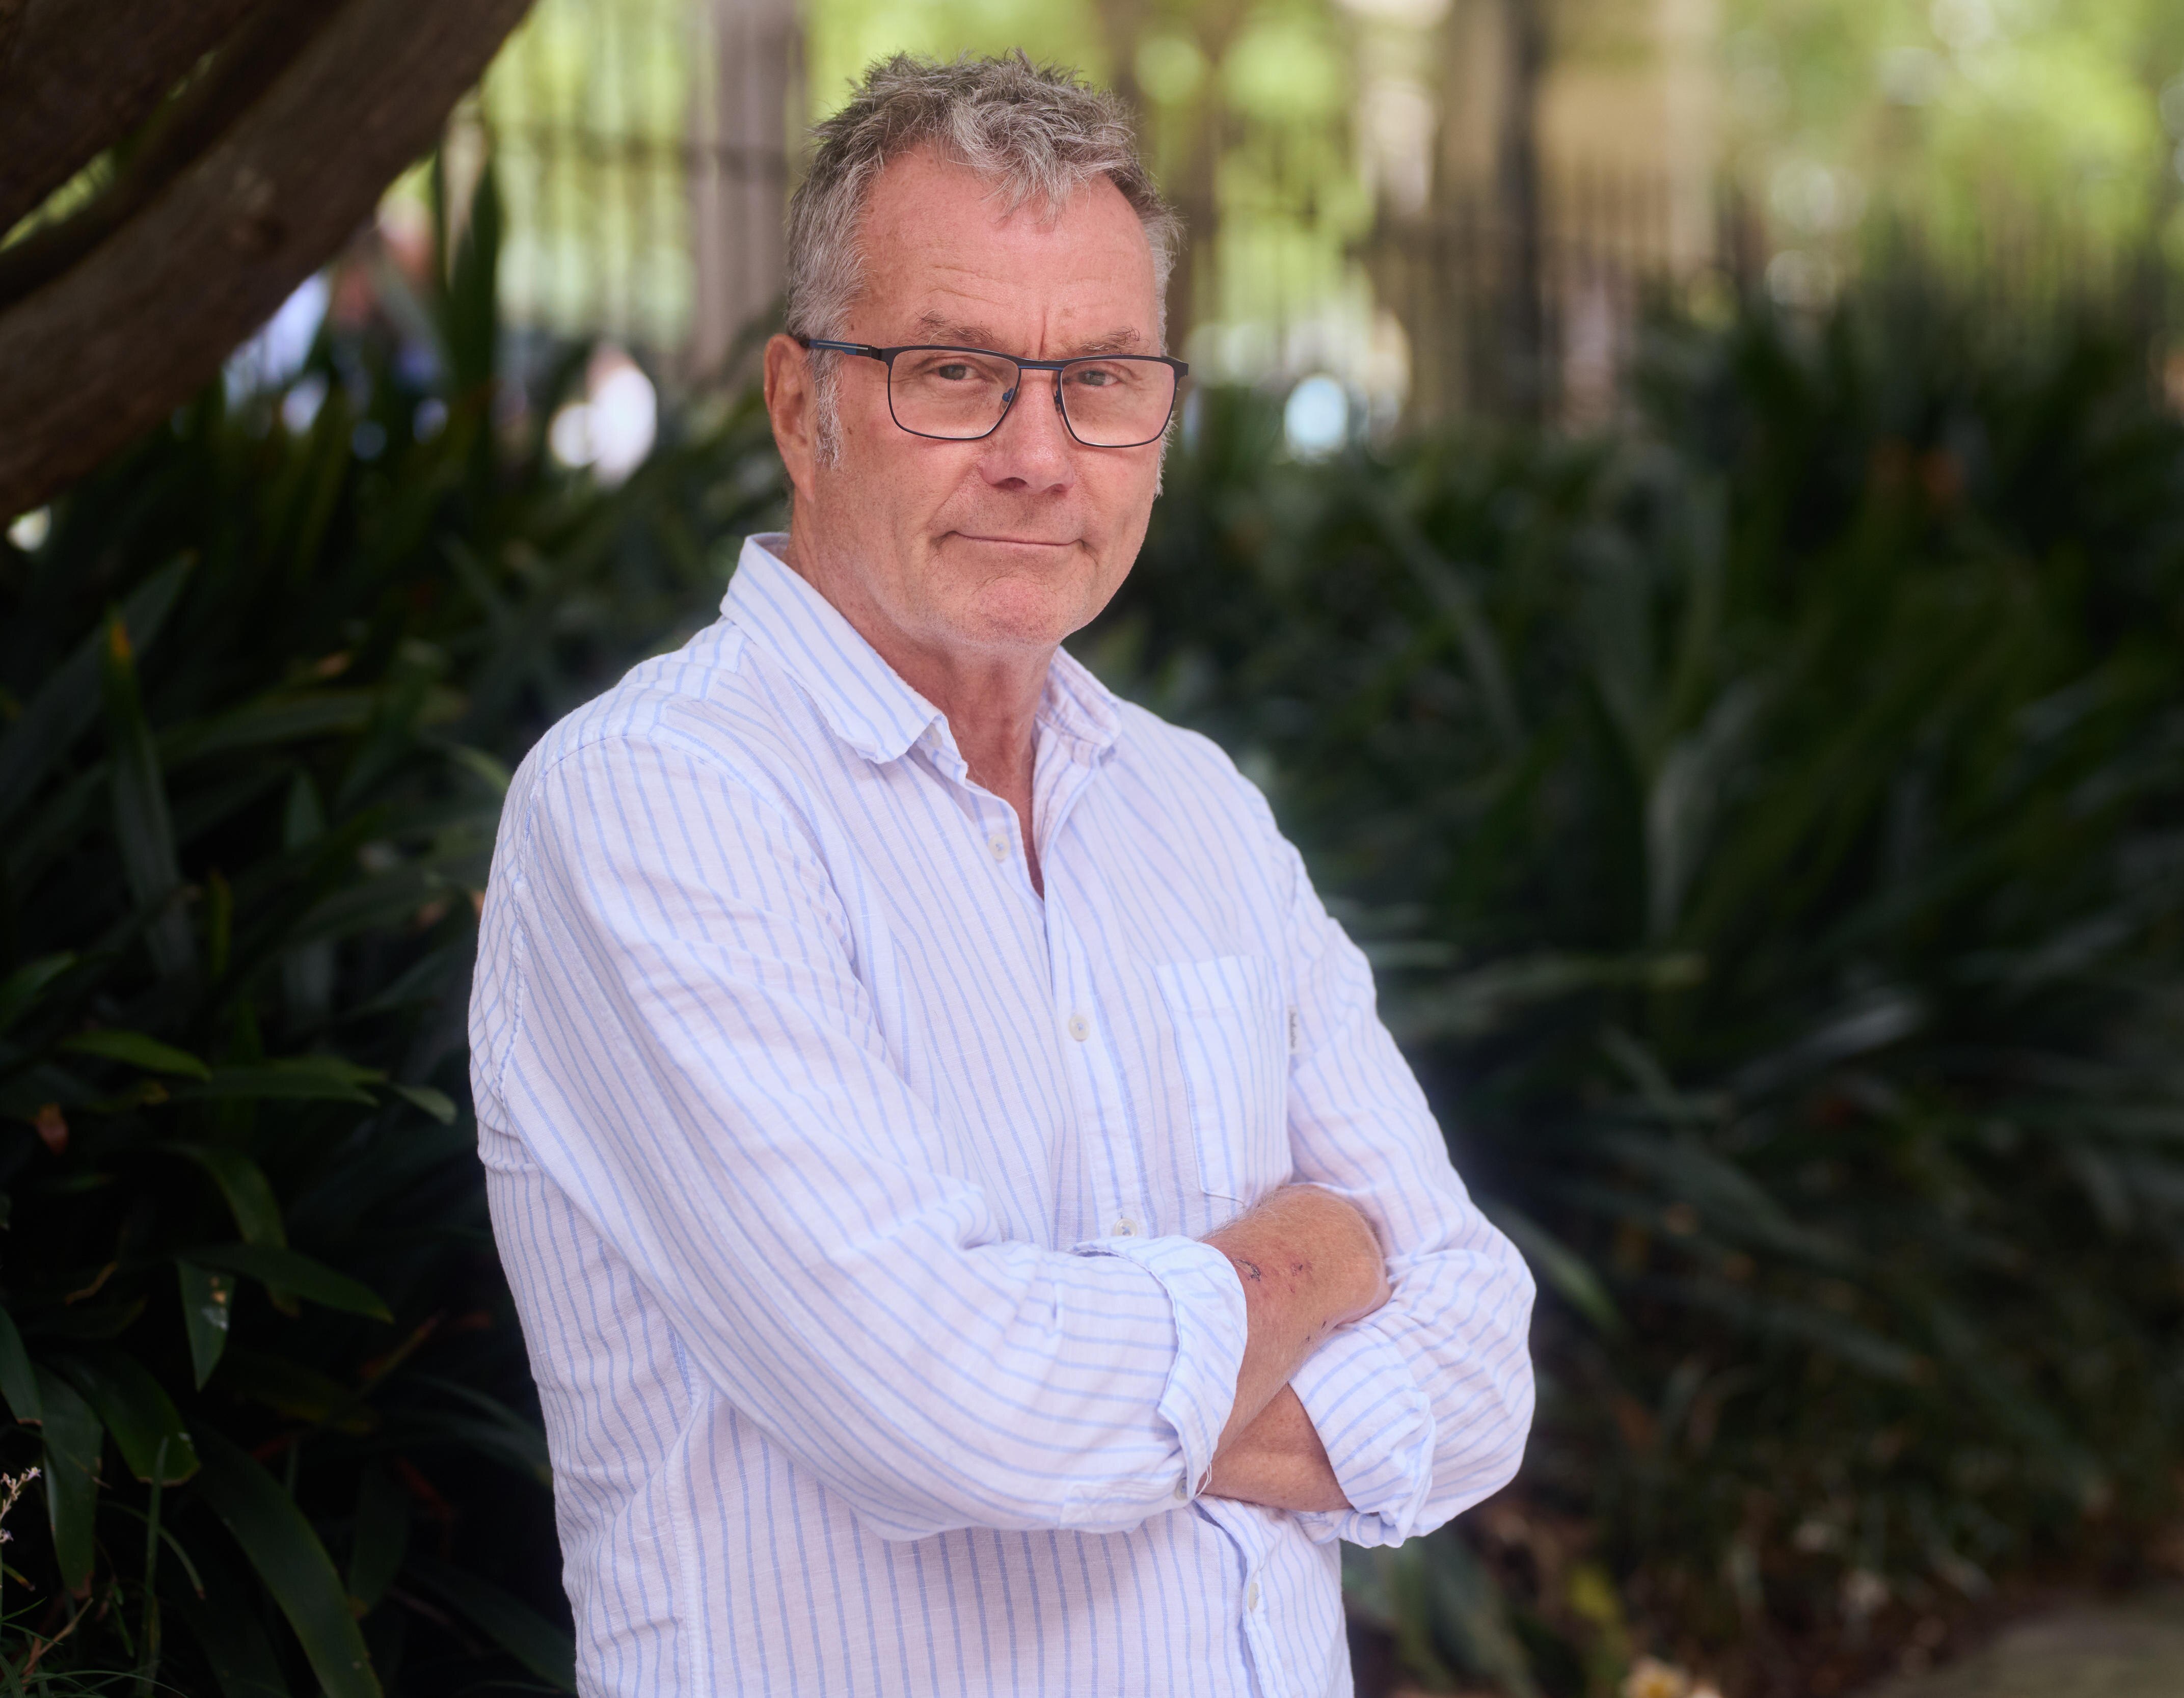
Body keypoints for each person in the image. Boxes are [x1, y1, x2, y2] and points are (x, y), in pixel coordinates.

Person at [469, 49, 1534, 1698]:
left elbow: (1480, 1360)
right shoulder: (654, 807)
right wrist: (1312, 1265)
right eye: (954, 371)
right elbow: (944, 1412)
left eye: (1103, 377)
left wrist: (1088, 1375)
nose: (1043, 455)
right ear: (797, 404)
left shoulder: (1196, 809)